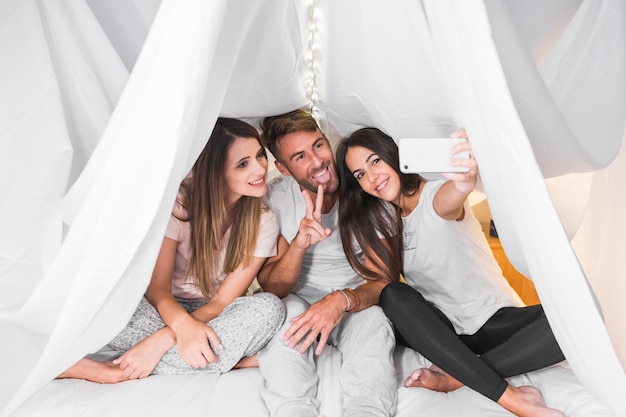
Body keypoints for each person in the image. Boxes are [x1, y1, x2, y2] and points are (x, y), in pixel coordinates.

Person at [336, 127, 567, 417]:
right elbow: (378, 282)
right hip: (443, 332)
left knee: (574, 321)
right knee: (392, 293)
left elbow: (453, 193)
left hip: (490, 321)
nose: (371, 178)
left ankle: (458, 376)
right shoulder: (387, 223)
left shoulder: (432, 197)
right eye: (359, 174)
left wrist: (464, 180)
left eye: (375, 161)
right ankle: (510, 397)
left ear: (393, 156)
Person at [58, 117, 285, 383]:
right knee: (106, 301)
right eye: (243, 164)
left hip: (214, 313)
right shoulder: (177, 204)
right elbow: (158, 290)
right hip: (161, 307)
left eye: (260, 155)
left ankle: (115, 371)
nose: (260, 169)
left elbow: (222, 301)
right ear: (216, 171)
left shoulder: (264, 219)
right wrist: (180, 325)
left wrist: (163, 338)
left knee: (270, 308)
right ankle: (234, 361)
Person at [256, 109, 397, 417]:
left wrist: (340, 300)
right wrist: (299, 244)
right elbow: (273, 286)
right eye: (300, 157)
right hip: (299, 297)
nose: (317, 161)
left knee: (376, 324)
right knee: (285, 318)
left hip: (353, 299)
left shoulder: (368, 188)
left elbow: (384, 281)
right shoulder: (275, 198)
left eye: (318, 146)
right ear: (283, 167)